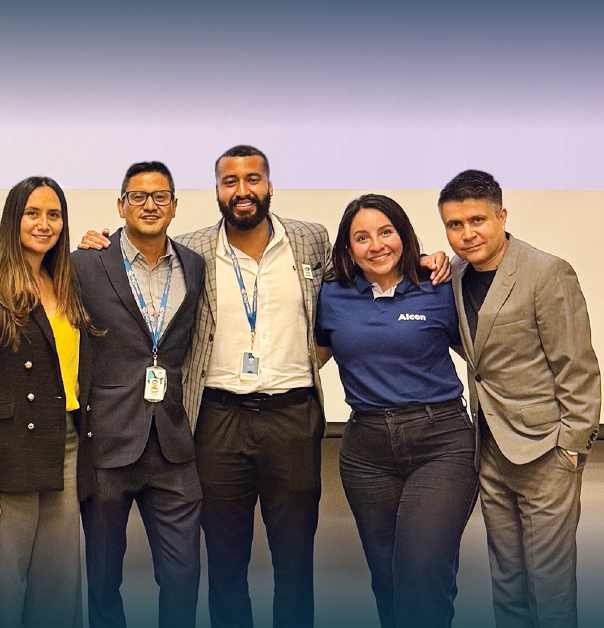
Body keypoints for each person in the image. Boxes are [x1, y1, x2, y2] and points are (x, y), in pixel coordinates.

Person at [80, 145, 448, 628]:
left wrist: (426, 259)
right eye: (230, 182)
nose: (242, 190)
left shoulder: (310, 239)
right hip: (218, 420)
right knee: (225, 563)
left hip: (292, 417)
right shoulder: (190, 249)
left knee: (294, 562)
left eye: (253, 179)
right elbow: (140, 248)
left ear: (270, 185)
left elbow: (369, 266)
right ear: (216, 191)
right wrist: (101, 241)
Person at [440, 170, 600, 628]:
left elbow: (578, 367)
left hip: (546, 452)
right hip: (490, 450)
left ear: (502, 216)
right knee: (507, 584)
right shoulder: (454, 276)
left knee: (550, 587)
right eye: (454, 225)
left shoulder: (546, 272)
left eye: (477, 220)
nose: (467, 234)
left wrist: (571, 449)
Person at [314, 194, 477, 628]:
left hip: (440, 444)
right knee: (387, 581)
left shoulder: (439, 286)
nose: (376, 245)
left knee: (422, 575)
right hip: (366, 453)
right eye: (362, 238)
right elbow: (308, 359)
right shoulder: (331, 295)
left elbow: (483, 357)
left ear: (403, 235)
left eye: (386, 232)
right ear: (348, 249)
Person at [0, 176, 94, 628]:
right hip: (6, 454)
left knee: (59, 591)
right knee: (2, 593)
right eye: (32, 213)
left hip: (65, 445)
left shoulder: (66, 282)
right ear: (13, 219)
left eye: (54, 215)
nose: (43, 224)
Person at [73, 161, 206, 628]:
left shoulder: (193, 265)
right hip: (107, 441)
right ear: (121, 205)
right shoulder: (85, 262)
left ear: (174, 206)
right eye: (138, 196)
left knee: (183, 574)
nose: (150, 205)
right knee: (103, 576)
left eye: (160, 196)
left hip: (172, 442)